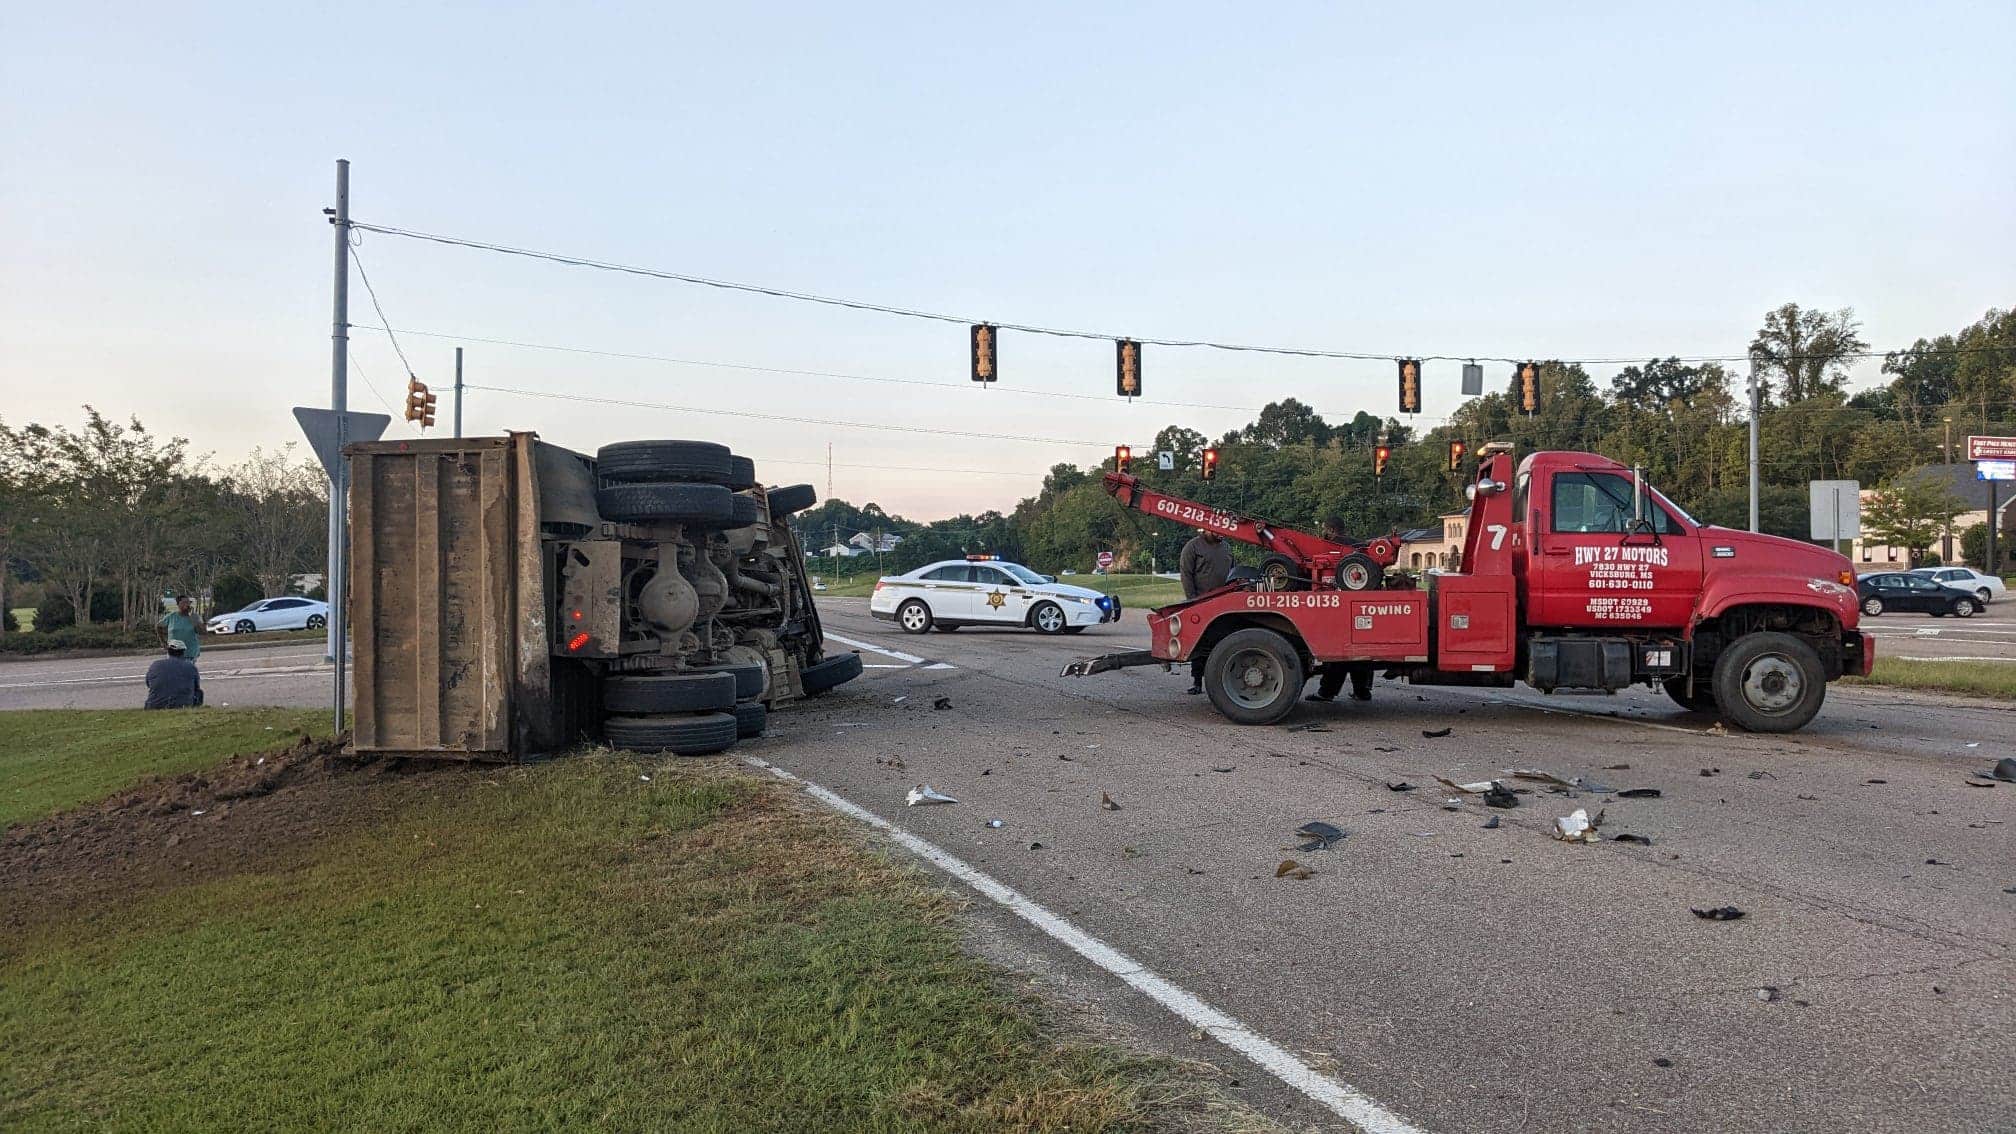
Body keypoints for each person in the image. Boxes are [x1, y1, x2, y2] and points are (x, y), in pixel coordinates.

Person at [1178, 528, 1233, 694]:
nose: (1222, 533)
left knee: (1223, 643)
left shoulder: (1226, 547)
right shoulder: (1193, 546)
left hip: (1223, 604)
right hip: (1201, 602)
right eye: (1218, 530)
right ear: (1208, 528)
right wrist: (1193, 600)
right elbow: (1186, 574)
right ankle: (1197, 682)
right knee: (1201, 644)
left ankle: (1222, 683)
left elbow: (1232, 571)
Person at [144, 639, 203, 709]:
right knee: (199, 693)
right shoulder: (190, 666)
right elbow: (196, 687)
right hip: (182, 705)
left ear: (168, 652)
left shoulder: (155, 665)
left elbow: (148, 683)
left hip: (154, 706)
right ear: (183, 652)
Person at [158, 595, 202, 664]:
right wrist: (163, 642)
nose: (187, 605)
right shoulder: (171, 616)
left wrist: (193, 618)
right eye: (184, 602)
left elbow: (202, 631)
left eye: (188, 602)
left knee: (187, 673)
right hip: (173, 653)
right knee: (174, 673)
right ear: (178, 604)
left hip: (190, 653)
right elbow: (158, 626)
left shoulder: (194, 617)